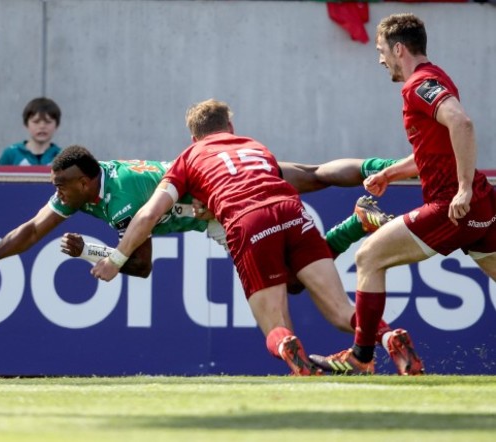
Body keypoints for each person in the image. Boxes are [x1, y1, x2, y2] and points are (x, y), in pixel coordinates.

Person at [89, 99, 420, 376]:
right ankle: (389, 335)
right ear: (230, 127)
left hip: (248, 222)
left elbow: (147, 215)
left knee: (275, 323)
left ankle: (288, 347)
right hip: (292, 210)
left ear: (193, 137)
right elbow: (308, 175)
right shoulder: (254, 146)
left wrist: (116, 259)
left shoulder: (187, 159)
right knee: (338, 308)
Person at [310, 13, 496, 376]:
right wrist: (390, 174)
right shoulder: (436, 77)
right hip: (482, 205)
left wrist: (461, 189)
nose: (380, 59)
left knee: (368, 258)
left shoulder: (418, 84)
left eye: (382, 50)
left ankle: (361, 356)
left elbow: (462, 122)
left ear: (399, 49)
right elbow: (437, 147)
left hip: (452, 207)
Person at [0, 97, 63, 166]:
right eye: (36, 122)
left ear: (57, 125)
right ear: (26, 124)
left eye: (48, 122)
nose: (42, 126)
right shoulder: (11, 154)